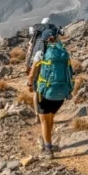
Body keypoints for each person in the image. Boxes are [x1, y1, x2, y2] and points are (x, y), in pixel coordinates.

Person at [28, 27, 73, 159]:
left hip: (45, 92)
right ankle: (48, 142)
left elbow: (32, 74)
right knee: (50, 118)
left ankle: (48, 149)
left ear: (44, 40)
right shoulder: (63, 52)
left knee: (44, 121)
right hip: (60, 93)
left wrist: (30, 85)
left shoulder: (41, 53)